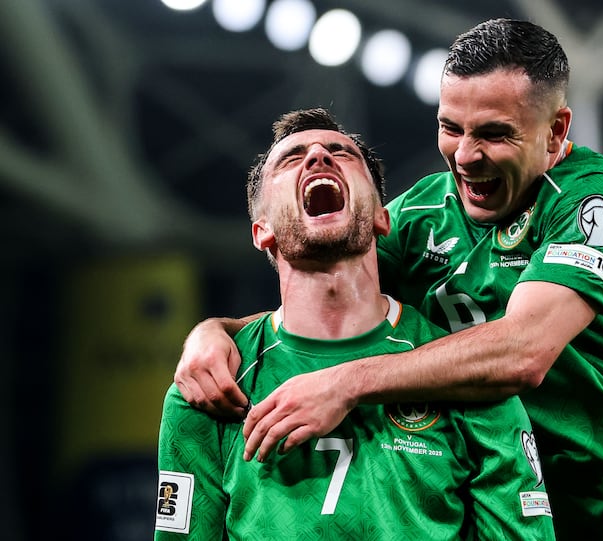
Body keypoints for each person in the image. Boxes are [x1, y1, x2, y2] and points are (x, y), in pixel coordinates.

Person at [175, 20, 603, 541]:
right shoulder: (423, 213)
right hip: (490, 504)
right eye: (451, 128)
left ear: (556, 131)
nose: (466, 155)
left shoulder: (596, 203)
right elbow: (325, 282)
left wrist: (346, 383)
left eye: (494, 134)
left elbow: (521, 353)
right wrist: (216, 331)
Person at [155, 108, 556, 540]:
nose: (318, 159)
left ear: (383, 218)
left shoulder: (471, 379)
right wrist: (211, 328)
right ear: (262, 231)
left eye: (341, 153)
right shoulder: (213, 386)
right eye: (292, 159)